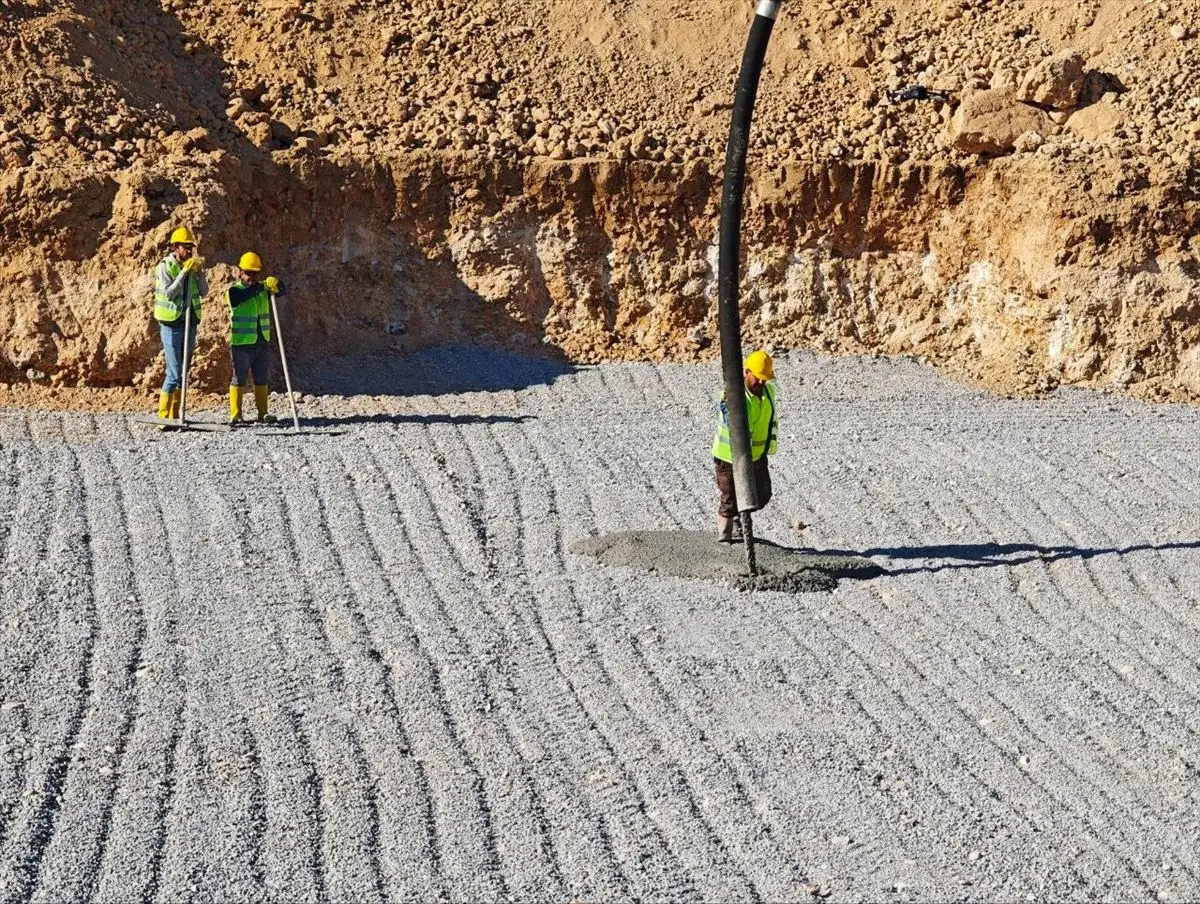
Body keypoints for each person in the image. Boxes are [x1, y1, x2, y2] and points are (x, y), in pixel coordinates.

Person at [712, 349, 777, 543]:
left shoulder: (768, 391)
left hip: (756, 455)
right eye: (758, 378)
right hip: (729, 457)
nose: (761, 383)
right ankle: (724, 538)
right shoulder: (733, 395)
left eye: (765, 379)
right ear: (747, 372)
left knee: (762, 494)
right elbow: (726, 410)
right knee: (730, 498)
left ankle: (740, 518)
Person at [152, 226, 207, 421]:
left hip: (189, 323)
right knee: (174, 373)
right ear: (176, 247)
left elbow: (203, 292)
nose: (190, 250)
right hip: (171, 325)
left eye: (191, 246)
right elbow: (169, 293)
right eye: (186, 246)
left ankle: (176, 416)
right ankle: (164, 417)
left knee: (183, 371)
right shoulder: (165, 267)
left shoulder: (192, 267)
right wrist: (184, 272)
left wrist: (199, 272)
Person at [226, 251, 284, 424]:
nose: (251, 276)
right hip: (242, 343)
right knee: (239, 379)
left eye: (254, 273)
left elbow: (282, 292)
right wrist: (259, 287)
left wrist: (277, 284)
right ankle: (236, 414)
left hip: (261, 341)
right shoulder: (234, 290)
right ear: (241, 272)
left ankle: (263, 413)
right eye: (248, 273)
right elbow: (238, 299)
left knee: (261, 378)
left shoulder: (262, 290)